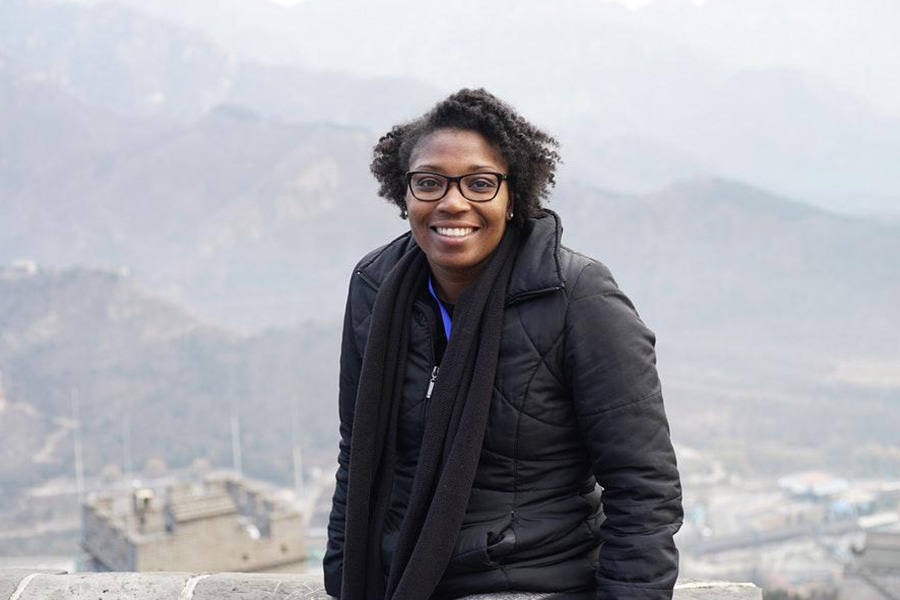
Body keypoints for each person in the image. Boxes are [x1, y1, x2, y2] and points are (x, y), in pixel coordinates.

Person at [323, 88, 683, 600]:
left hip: (533, 581)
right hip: (398, 579)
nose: (452, 201)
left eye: (479, 183)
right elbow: (356, 450)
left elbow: (644, 490)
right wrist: (342, 583)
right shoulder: (377, 287)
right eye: (429, 183)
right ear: (402, 194)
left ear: (514, 195)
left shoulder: (577, 296)